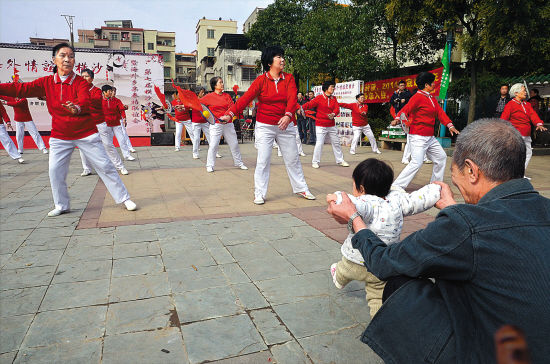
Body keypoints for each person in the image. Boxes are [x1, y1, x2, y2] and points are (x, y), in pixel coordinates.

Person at [326, 118, 550, 364]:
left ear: (471, 170)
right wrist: (455, 210)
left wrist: (355, 219)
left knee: (398, 281)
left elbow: (383, 263)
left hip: (493, 354)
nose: (455, 186)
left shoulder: (463, 226)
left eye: (454, 177)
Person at [0, 43, 136, 216]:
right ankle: (61, 205)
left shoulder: (80, 82)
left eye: (71, 56)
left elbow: (84, 101)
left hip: (85, 132)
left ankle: (124, 199)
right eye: (63, 55)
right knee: (55, 170)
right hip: (60, 135)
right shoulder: (47, 82)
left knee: (104, 165)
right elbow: (21, 88)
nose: (67, 59)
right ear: (54, 59)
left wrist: (77, 108)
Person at [327, 158, 440, 318]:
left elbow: (353, 204)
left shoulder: (365, 202)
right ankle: (378, 321)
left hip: (355, 260)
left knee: (343, 270)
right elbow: (418, 200)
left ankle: (339, 278)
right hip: (382, 264)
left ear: (361, 187)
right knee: (377, 296)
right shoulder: (398, 201)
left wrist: (336, 197)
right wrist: (436, 189)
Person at [221, 46, 315, 205]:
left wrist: (288, 115)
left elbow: (292, 99)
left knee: (293, 159)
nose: (282, 59)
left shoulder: (289, 78)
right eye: (279, 57)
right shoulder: (261, 80)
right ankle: (259, 193)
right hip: (265, 126)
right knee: (263, 160)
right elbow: (245, 98)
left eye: (282, 56)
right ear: (270, 62)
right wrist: (230, 113)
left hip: (286, 125)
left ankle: (301, 188)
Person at [391, 72, 459, 188]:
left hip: (430, 137)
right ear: (427, 85)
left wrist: (450, 125)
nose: (434, 85)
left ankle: (435, 185)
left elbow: (440, 113)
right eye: (433, 83)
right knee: (416, 163)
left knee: (441, 157)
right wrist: (397, 118)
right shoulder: (417, 97)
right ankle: (397, 186)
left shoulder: (431, 98)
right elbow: (405, 109)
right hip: (418, 136)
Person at [200, 76, 247, 173]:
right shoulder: (208, 97)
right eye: (220, 82)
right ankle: (210, 165)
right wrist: (183, 106)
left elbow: (232, 107)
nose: (222, 84)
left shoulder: (227, 96)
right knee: (213, 145)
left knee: (234, 144)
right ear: (215, 85)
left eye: (222, 82)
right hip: (216, 124)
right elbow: (197, 104)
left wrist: (227, 117)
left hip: (228, 123)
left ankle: (239, 163)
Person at [500, 83, 547, 178]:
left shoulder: (527, 104)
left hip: (526, 134)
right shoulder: (511, 104)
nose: (526, 92)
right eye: (524, 90)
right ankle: (511, 173)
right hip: (516, 134)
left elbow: (533, 115)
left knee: (528, 153)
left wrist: (539, 123)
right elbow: (503, 118)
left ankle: (520, 174)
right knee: (516, 154)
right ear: (516, 93)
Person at [303, 80, 349, 169]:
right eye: (332, 87)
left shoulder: (334, 98)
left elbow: (337, 109)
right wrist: (300, 107)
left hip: (331, 125)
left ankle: (340, 160)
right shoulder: (319, 98)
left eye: (333, 87)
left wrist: (333, 114)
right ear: (326, 88)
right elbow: (309, 104)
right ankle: (315, 161)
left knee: (336, 143)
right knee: (319, 143)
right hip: (320, 125)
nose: (333, 88)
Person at [0, 77, 47, 154]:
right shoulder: (11, 98)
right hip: (18, 120)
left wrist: (6, 103)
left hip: (27, 119)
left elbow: (17, 104)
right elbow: (2, 96)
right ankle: (20, 149)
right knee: (19, 135)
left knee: (34, 133)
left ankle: (43, 148)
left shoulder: (24, 99)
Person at [99, 85, 130, 174]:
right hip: (105, 125)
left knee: (122, 139)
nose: (111, 93)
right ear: (104, 92)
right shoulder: (99, 101)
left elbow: (121, 108)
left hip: (116, 124)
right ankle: (114, 165)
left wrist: (124, 108)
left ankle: (122, 164)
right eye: (109, 91)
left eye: (111, 91)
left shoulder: (116, 100)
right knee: (108, 145)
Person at [112, 87, 136, 153]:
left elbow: (122, 110)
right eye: (113, 91)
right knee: (107, 136)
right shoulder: (105, 100)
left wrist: (124, 118)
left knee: (124, 133)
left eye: (115, 91)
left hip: (118, 120)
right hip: (108, 121)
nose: (114, 93)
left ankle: (129, 147)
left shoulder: (117, 100)